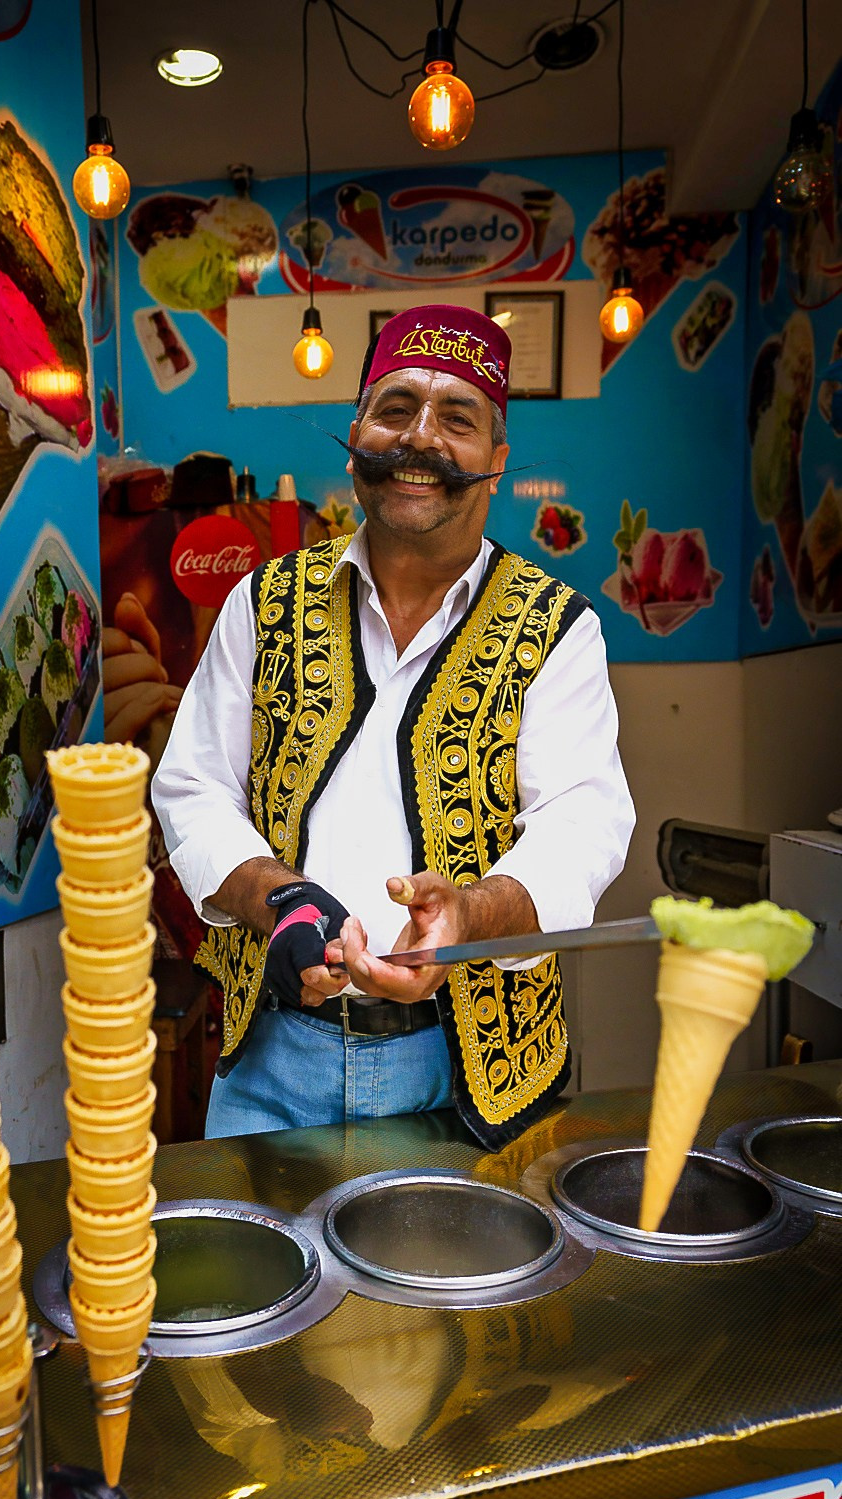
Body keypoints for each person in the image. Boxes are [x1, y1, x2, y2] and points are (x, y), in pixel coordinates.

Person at [152, 304, 635, 1148]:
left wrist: (470, 916)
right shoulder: (263, 604)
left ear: (497, 460)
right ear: (358, 431)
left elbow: (583, 826)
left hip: (466, 1080)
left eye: (458, 419)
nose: (421, 439)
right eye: (396, 407)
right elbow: (192, 786)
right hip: (269, 1062)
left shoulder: (557, 627)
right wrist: (287, 903)